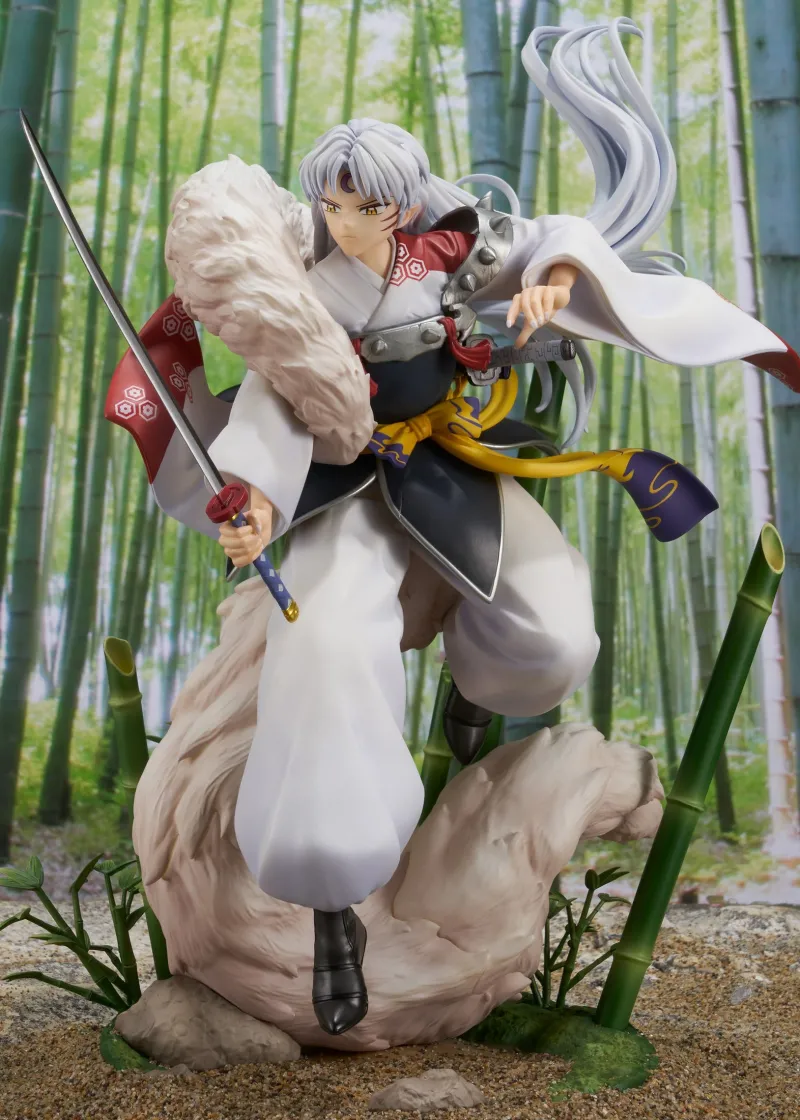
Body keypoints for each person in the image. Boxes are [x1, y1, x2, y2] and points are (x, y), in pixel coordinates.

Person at [111, 18, 800, 1038]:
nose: (345, 223)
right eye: (332, 205)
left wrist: (554, 286)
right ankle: (331, 900)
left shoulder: (453, 248)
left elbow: (551, 244)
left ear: (400, 202)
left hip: (444, 463)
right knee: (327, 646)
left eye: (364, 206)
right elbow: (270, 406)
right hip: (337, 480)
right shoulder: (308, 286)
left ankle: (469, 708)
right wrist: (252, 503)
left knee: (553, 627)